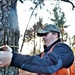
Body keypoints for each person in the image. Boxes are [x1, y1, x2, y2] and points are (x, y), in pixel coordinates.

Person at [0, 24, 74, 75]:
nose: (43, 38)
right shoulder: (45, 53)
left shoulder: (63, 49)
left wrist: (13, 59)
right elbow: (33, 61)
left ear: (55, 35)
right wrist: (12, 53)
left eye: (46, 34)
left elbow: (49, 65)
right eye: (42, 35)